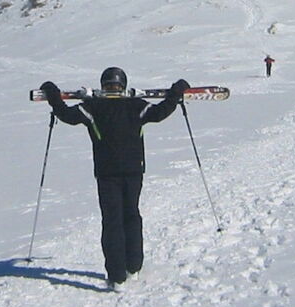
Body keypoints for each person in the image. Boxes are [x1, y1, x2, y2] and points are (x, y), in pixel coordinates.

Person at [39, 68, 189, 288]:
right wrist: (176, 92)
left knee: (112, 221)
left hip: (107, 172)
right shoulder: (135, 105)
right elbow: (160, 112)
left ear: (103, 85)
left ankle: (117, 276)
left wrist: (52, 94)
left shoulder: (93, 106)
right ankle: (133, 267)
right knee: (131, 215)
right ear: (123, 85)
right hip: (134, 170)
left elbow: (67, 115)